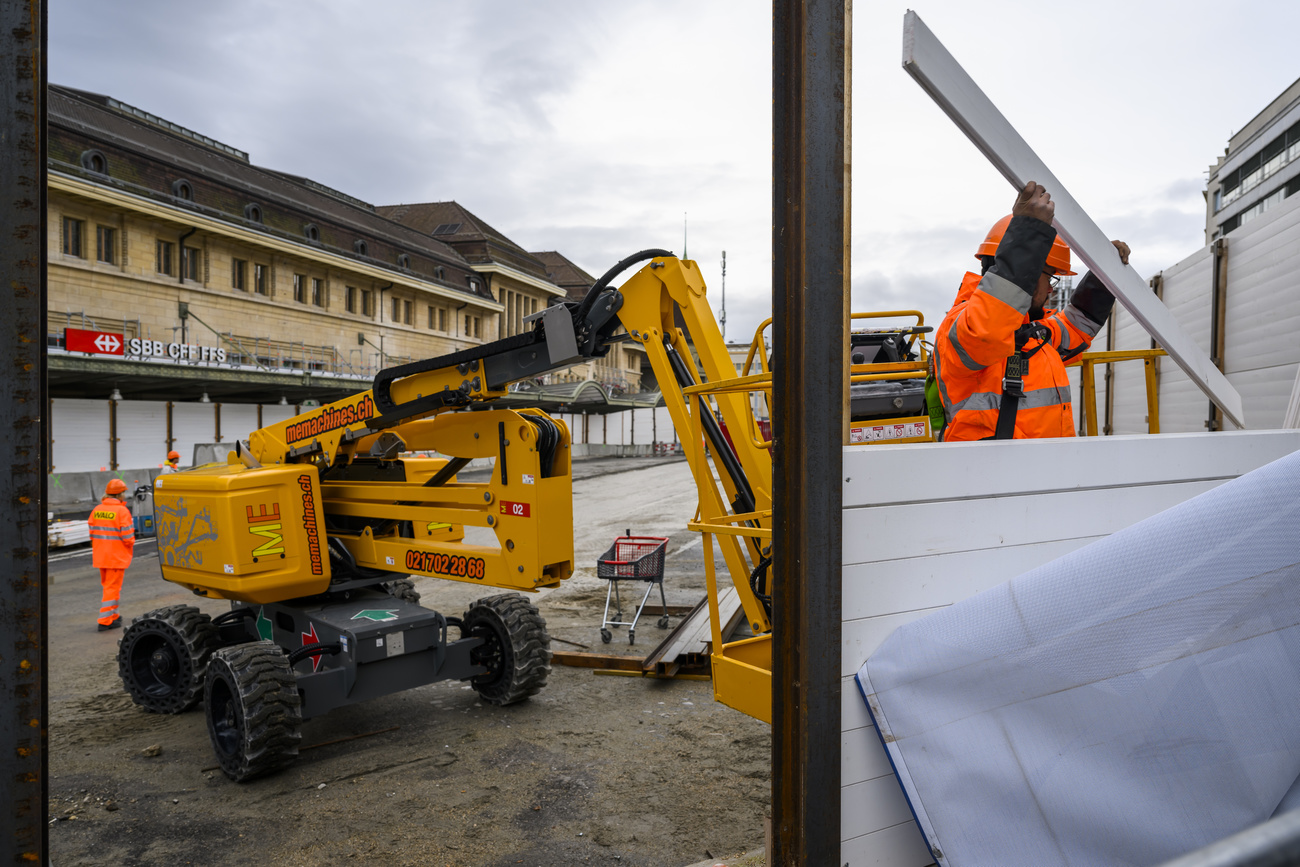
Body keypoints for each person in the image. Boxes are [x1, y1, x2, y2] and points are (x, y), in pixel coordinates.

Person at [933, 181, 1129, 441]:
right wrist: (1029, 236)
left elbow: (1075, 326)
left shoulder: (1032, 333)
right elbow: (989, 328)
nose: (1051, 290)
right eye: (1049, 278)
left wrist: (1103, 277)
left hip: (1041, 473)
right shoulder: (963, 327)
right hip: (989, 476)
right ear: (1027, 273)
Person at [89, 478, 135, 631]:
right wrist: (130, 543)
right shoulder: (122, 511)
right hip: (116, 557)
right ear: (120, 494)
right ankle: (105, 620)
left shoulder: (97, 509)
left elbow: (91, 531)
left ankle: (114, 616)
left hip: (101, 556)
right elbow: (128, 537)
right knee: (112, 589)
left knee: (109, 587)